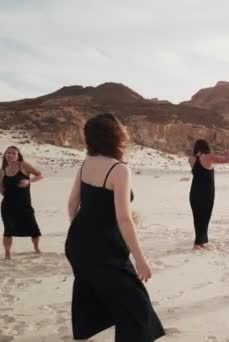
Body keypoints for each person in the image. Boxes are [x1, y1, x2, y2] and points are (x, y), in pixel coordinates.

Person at [65, 113, 164, 341]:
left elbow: (72, 204)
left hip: (77, 244)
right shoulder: (119, 169)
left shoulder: (86, 163)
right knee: (136, 306)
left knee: (93, 292)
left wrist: (82, 234)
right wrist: (140, 258)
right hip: (105, 249)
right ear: (115, 135)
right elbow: (124, 219)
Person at [189, 137, 229, 250]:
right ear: (206, 147)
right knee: (205, 216)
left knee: (198, 216)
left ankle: (200, 242)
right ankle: (198, 243)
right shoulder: (208, 157)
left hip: (194, 192)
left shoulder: (191, 159)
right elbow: (228, 159)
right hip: (206, 192)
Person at [0, 146, 43, 259]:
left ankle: (36, 248)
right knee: (8, 230)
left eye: (14, 153)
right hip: (8, 206)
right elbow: (1, 190)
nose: (11, 155)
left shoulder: (23, 165)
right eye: (8, 153)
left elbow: (40, 175)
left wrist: (29, 181)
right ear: (5, 155)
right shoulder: (2, 171)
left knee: (33, 228)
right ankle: (7, 253)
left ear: (18, 155)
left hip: (24, 205)